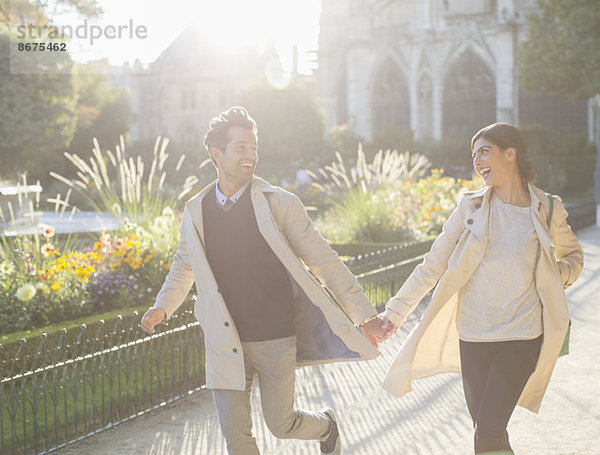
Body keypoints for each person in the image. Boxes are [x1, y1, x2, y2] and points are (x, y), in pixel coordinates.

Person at [141, 106, 395, 455]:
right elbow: (184, 266)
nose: (251, 155)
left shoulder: (279, 204)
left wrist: (364, 316)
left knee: (281, 424)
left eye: (254, 147)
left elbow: (324, 261)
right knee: (237, 437)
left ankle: (326, 426)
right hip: (223, 338)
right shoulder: (196, 210)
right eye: (241, 147)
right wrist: (162, 307)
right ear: (217, 154)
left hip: (275, 337)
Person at [380, 123, 584, 454]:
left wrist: (556, 275)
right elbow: (432, 264)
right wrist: (394, 312)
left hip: (521, 338)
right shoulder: (469, 207)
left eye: (484, 151)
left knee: (488, 432)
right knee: (487, 433)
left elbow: (573, 256)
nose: (477, 161)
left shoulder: (547, 208)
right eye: (474, 155)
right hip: (473, 338)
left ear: (510, 153)